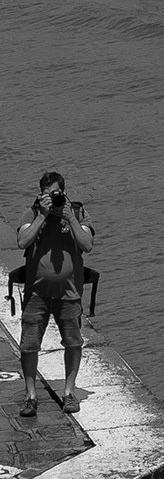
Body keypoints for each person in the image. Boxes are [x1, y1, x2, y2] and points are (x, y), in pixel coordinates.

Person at [15, 170, 95, 418]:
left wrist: (69, 217)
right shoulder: (32, 213)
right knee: (29, 345)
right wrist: (43, 215)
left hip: (69, 294)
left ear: (65, 192)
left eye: (57, 194)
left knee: (73, 343)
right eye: (47, 195)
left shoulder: (77, 213)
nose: (53, 198)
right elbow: (22, 241)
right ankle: (30, 396)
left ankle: (69, 392)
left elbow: (87, 244)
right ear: (41, 195)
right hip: (36, 294)